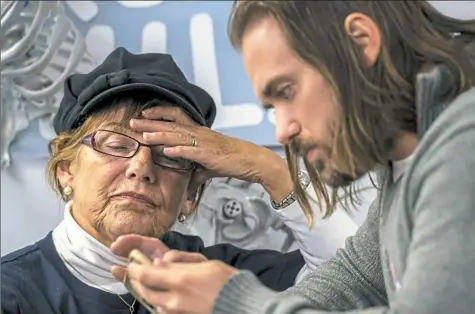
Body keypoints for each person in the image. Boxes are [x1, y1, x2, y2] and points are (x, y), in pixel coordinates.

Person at [108, 1, 475, 314]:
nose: (282, 131)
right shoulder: (405, 166)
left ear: (361, 44)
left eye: (286, 91)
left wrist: (233, 303)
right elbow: (357, 280)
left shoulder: (464, 144)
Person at [0, 47, 362, 314]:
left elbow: (360, 285)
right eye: (115, 144)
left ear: (191, 193)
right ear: (66, 171)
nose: (141, 167)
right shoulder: (12, 293)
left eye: (168, 153)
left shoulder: (223, 279)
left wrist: (271, 169)